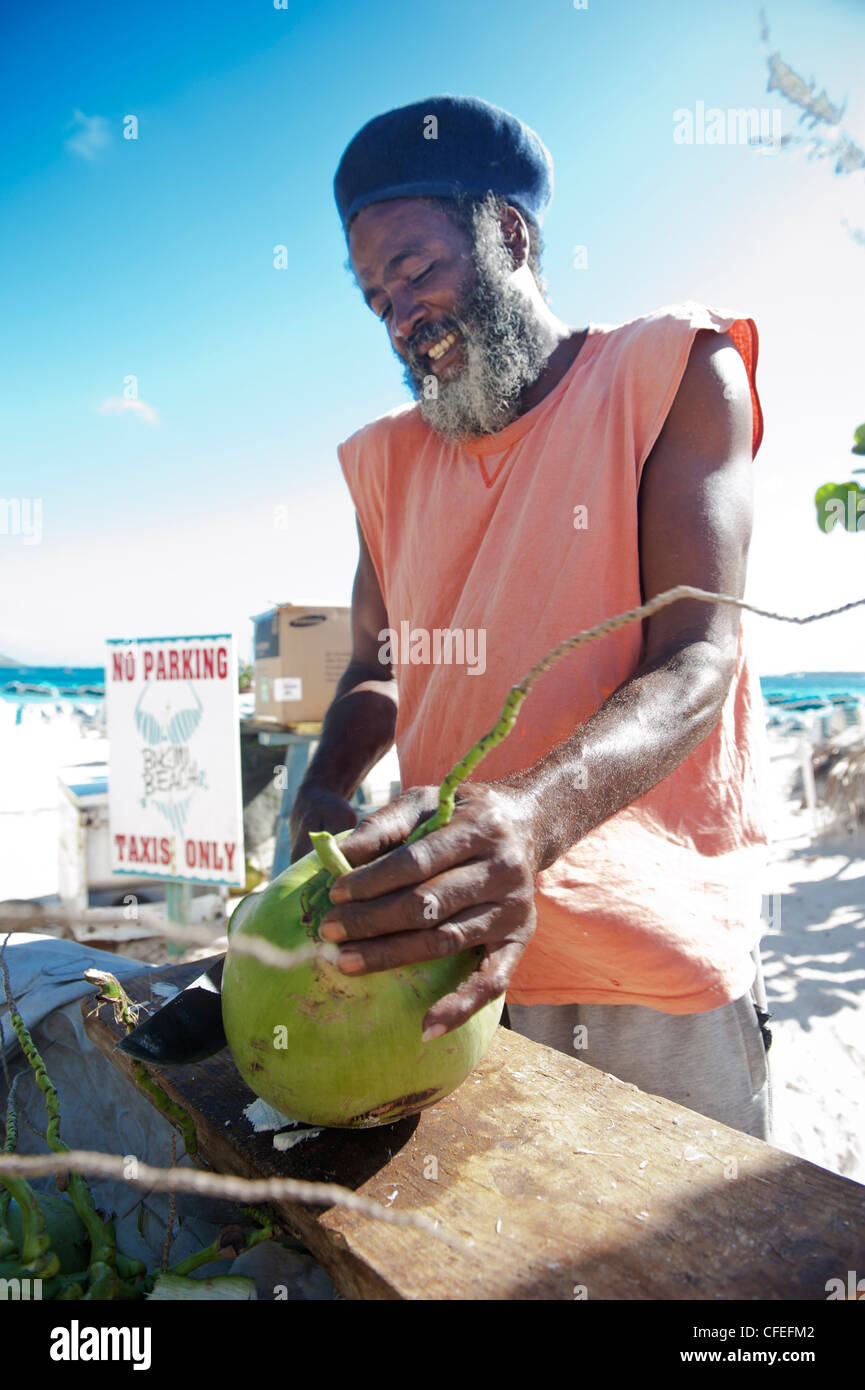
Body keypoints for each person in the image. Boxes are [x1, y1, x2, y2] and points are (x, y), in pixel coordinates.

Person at [289, 95, 773, 1139]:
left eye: (416, 271)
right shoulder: (384, 457)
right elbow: (378, 662)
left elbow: (698, 658)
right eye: (376, 298)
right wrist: (326, 781)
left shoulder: (673, 369)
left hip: (647, 969)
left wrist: (532, 815)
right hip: (440, 963)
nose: (401, 316)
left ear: (507, 234)